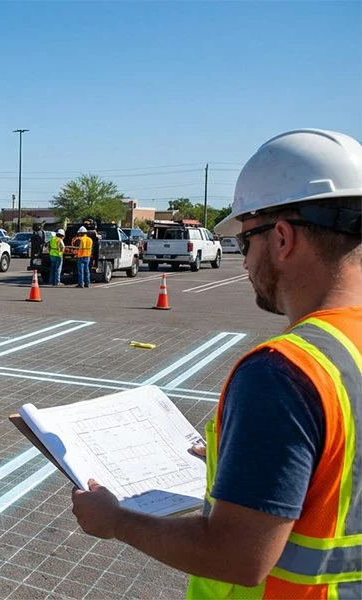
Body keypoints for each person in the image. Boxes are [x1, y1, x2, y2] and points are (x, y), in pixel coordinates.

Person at [71, 129, 362, 598]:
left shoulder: (284, 373)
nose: (244, 262)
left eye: (246, 242)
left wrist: (116, 521)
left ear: (282, 238)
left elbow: (238, 556)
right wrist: (254, 461)